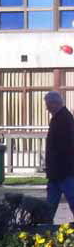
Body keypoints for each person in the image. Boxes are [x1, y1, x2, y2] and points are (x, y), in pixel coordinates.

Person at [44, 91, 74, 221]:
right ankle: (44, 225)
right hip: (58, 171)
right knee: (50, 203)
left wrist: (53, 163)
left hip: (63, 170)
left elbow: (63, 146)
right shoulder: (60, 118)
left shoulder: (63, 119)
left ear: (55, 103)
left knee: (70, 198)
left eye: (48, 105)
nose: (47, 108)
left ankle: (45, 224)